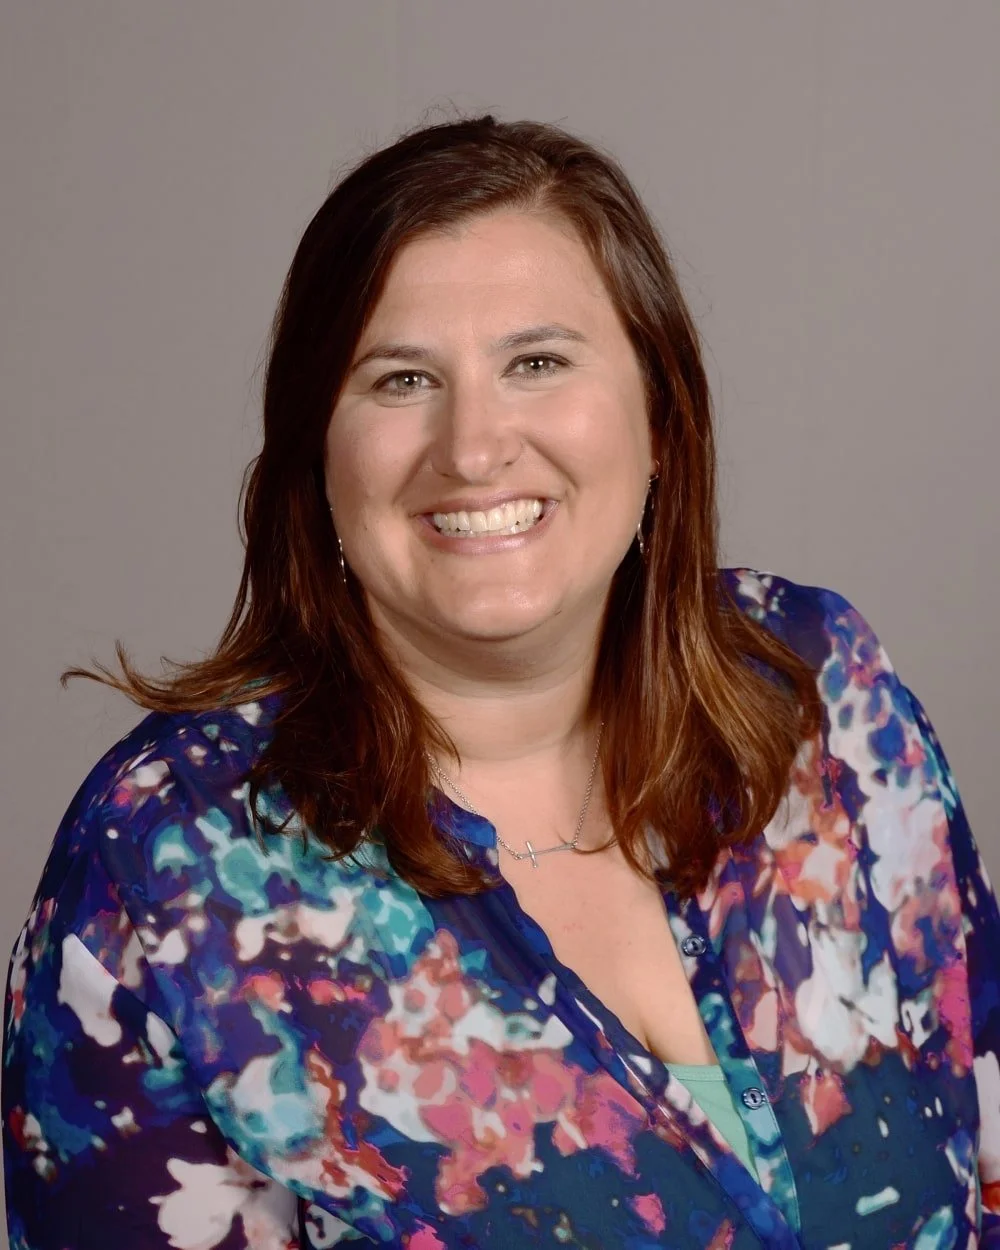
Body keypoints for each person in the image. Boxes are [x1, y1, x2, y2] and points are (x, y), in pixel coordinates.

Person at [3, 115, 997, 1250]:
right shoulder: (163, 867)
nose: (473, 447)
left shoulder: (819, 693)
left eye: (537, 361)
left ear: (658, 417)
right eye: (400, 378)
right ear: (315, 458)